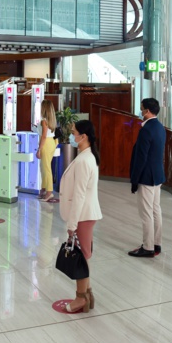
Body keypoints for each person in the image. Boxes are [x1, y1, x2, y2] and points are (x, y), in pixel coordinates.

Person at [59, 120, 102, 313]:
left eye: (74, 133)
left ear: (83, 136)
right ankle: (88, 294)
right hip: (85, 214)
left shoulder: (85, 160)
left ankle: (80, 299)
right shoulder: (86, 156)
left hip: (83, 215)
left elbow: (79, 195)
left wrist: (72, 223)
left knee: (81, 258)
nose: (71, 136)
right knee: (83, 255)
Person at [128, 98, 166, 258]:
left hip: (146, 177)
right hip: (157, 175)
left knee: (146, 213)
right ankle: (156, 243)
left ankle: (148, 246)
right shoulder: (160, 127)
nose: (140, 111)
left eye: (142, 108)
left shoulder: (146, 130)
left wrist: (134, 180)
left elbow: (141, 158)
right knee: (156, 210)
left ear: (148, 111)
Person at [36, 99, 57, 202]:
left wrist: (39, 149)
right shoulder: (51, 120)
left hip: (46, 144)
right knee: (44, 167)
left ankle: (49, 192)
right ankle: (44, 189)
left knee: (46, 169)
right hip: (52, 143)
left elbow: (43, 136)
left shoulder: (44, 121)